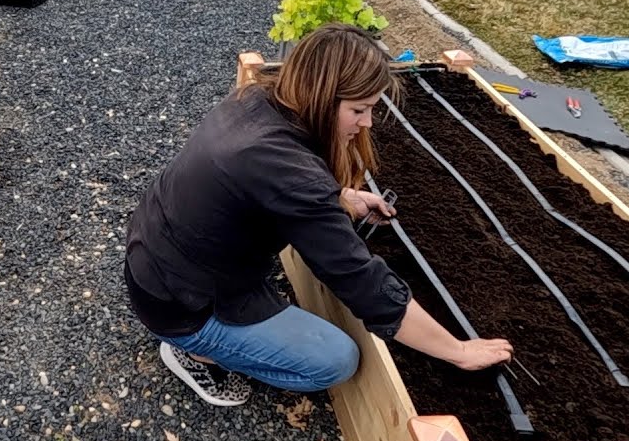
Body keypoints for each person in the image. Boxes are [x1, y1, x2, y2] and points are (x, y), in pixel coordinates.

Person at [124, 23, 513, 406]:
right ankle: (195, 353)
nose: (367, 122)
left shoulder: (257, 101)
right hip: (183, 305)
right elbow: (360, 279)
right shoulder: (289, 172)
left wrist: (340, 197)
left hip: (157, 260)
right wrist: (458, 351)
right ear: (323, 96)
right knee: (335, 361)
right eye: (359, 109)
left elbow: (267, 186)